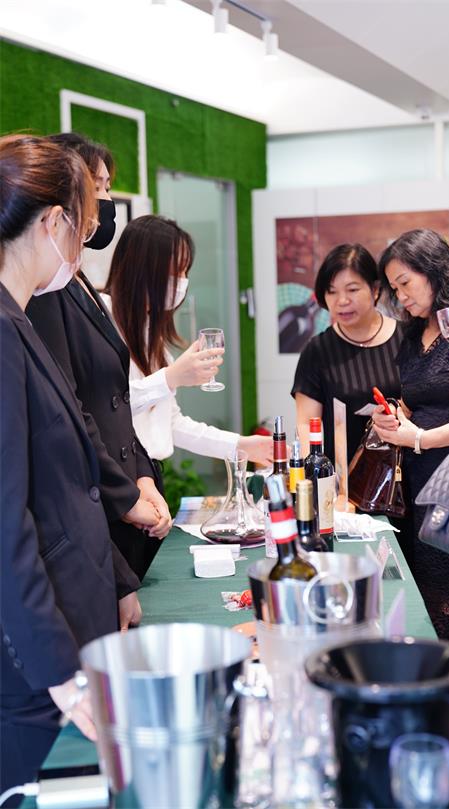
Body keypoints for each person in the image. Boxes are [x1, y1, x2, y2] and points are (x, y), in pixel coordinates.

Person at [0, 134, 119, 797]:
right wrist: (58, 670)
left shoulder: (20, 320)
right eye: (83, 225)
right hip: (35, 665)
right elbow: (6, 519)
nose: (83, 247)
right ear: (52, 223)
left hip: (68, 630)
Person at [26, 136, 171, 583]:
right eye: (98, 186)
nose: (106, 201)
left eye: (109, 186)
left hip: (127, 496)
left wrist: (143, 478)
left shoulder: (77, 278)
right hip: (99, 509)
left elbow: (117, 400)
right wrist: (125, 497)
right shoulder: (45, 289)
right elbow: (73, 411)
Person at [373, 229, 449, 648]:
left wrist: (419, 438)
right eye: (394, 288)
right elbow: (414, 402)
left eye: (405, 283)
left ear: (434, 269)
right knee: (432, 609)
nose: (400, 296)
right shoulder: (412, 333)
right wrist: (395, 418)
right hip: (421, 487)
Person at [101, 215, 273, 473]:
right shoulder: (101, 319)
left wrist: (240, 444)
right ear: (142, 268)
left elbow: (171, 423)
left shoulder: (152, 336)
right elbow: (107, 405)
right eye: (175, 272)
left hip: (150, 474)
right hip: (117, 476)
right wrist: (170, 377)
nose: (181, 282)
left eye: (185, 272)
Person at [291, 243, 404, 466]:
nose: (342, 301)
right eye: (332, 292)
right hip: (342, 478)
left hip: (404, 472)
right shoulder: (318, 350)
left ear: (375, 289)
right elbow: (306, 424)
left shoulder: (407, 339)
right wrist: (313, 475)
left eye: (352, 290)